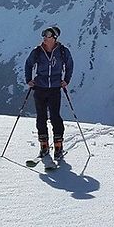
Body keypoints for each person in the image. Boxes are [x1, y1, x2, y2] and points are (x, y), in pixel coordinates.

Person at [24, 26, 73, 160]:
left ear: (55, 38)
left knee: (55, 117)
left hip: (54, 89)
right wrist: (29, 79)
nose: (45, 38)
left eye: (48, 36)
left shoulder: (62, 51)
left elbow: (69, 65)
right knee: (41, 117)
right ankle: (44, 146)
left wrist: (66, 80)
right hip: (40, 88)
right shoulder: (37, 52)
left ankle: (58, 146)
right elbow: (28, 64)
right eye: (44, 36)